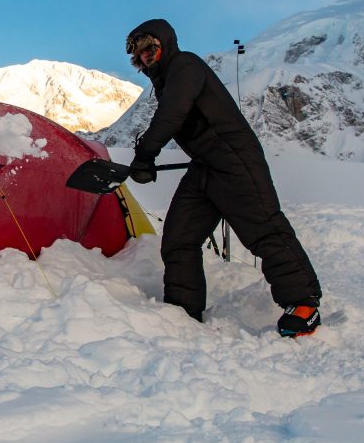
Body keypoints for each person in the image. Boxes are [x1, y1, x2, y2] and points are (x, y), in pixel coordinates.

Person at [125, 18, 322, 337]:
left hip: (234, 157)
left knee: (264, 229)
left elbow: (173, 113)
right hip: (204, 164)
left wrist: (146, 154)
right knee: (179, 238)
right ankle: (183, 312)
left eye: (151, 49)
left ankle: (303, 304)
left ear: (165, 45)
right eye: (140, 55)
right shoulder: (165, 82)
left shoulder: (185, 65)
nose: (147, 57)